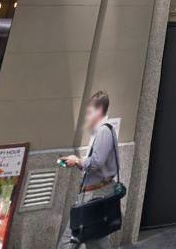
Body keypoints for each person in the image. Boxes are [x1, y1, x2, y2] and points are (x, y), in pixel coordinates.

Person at [60, 92, 120, 248]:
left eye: (89, 112)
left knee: (71, 236)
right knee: (96, 237)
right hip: (95, 192)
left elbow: (96, 162)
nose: (87, 116)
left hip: (95, 193)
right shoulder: (102, 131)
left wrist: (77, 161)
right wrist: (77, 162)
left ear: (99, 111)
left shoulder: (104, 131)